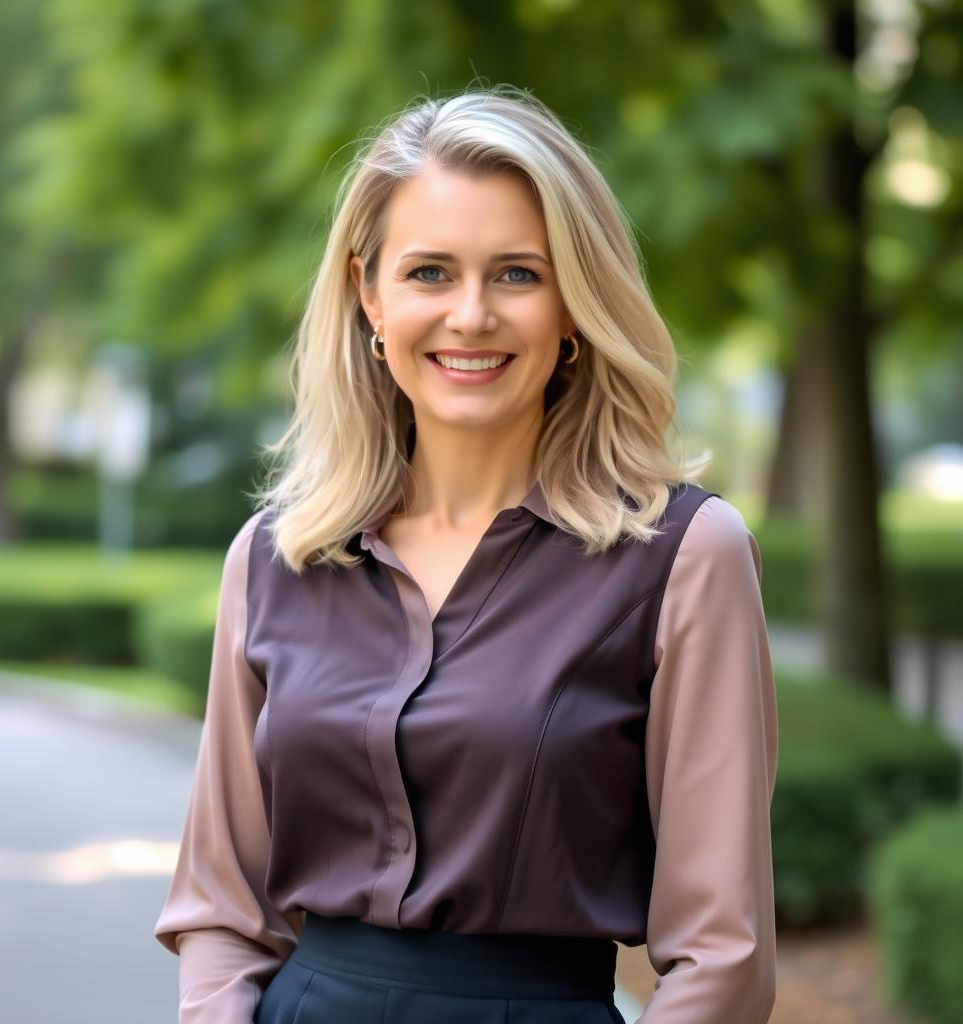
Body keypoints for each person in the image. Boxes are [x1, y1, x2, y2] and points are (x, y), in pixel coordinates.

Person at [154, 84, 779, 1024]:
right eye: (431, 273)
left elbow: (722, 957)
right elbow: (221, 908)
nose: (472, 315)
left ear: (575, 302)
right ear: (370, 294)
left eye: (518, 274)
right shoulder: (276, 560)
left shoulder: (685, 556)